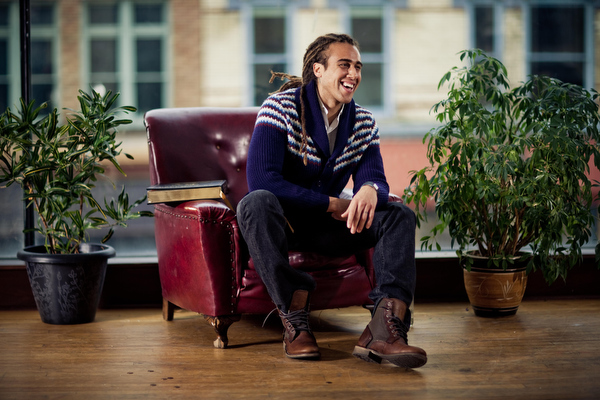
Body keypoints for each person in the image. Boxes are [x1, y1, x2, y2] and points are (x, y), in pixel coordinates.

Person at [236, 33, 427, 369]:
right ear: (318, 69)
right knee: (255, 202)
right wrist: (332, 203)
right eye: (344, 65)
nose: (353, 73)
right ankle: (295, 318)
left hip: (329, 229)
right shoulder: (279, 108)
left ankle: (384, 329)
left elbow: (376, 178)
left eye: (358, 66)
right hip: (281, 226)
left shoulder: (363, 122)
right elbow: (263, 181)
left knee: (399, 214)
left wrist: (370, 189)